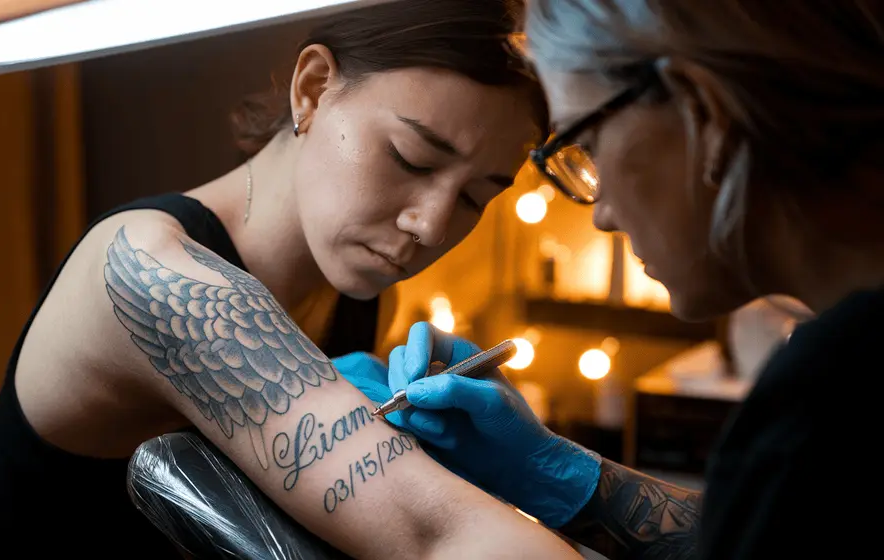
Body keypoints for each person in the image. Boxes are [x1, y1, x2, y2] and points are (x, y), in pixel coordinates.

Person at [0, 1, 588, 558]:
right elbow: (432, 538)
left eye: (476, 198)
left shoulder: (356, 286)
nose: (429, 226)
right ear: (314, 89)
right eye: (411, 158)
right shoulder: (150, 269)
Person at [341, 1, 882, 558]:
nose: (601, 216)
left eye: (590, 149)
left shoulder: (831, 402)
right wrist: (550, 471)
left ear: (705, 113)